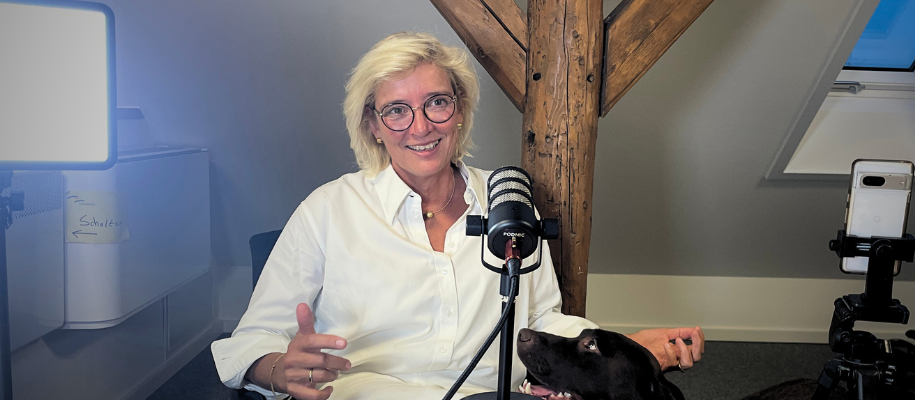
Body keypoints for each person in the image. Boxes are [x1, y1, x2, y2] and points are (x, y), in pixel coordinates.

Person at [211, 31, 704, 400]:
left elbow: (541, 318)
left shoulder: (509, 204)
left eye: (437, 103)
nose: (420, 127)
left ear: (461, 109)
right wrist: (277, 370)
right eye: (396, 110)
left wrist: (622, 349)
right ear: (373, 125)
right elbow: (249, 343)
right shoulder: (326, 210)